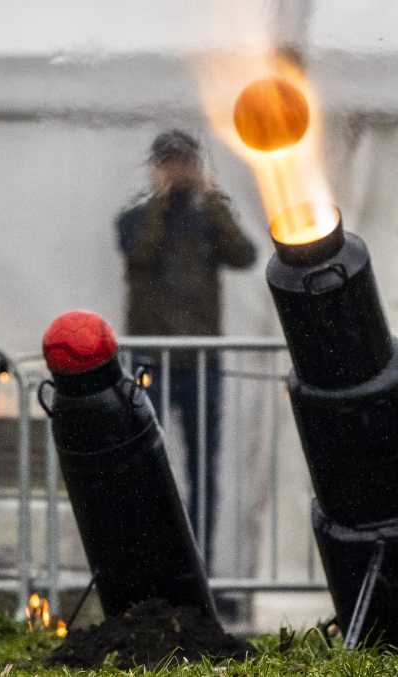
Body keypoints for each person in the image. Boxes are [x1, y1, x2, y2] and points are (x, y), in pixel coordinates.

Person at [116, 130, 257, 563]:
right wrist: (160, 200)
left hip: (200, 363)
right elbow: (140, 252)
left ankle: (201, 567)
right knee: (146, 467)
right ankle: (152, 562)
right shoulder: (136, 218)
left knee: (203, 471)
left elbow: (245, 255)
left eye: (185, 163)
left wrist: (213, 200)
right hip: (151, 360)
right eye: (171, 164)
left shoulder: (207, 219)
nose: (180, 172)